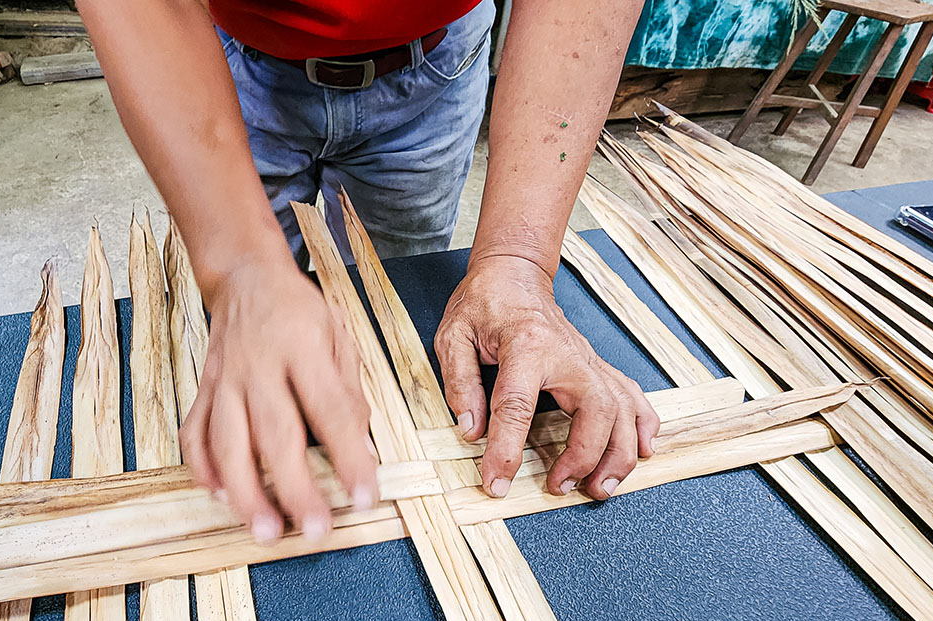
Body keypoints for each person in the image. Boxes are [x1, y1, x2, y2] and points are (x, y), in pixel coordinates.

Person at [77, 0, 659, 542]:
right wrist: (239, 268)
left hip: (435, 61)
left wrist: (518, 261)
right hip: (219, 61)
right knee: (251, 328)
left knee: (397, 301)